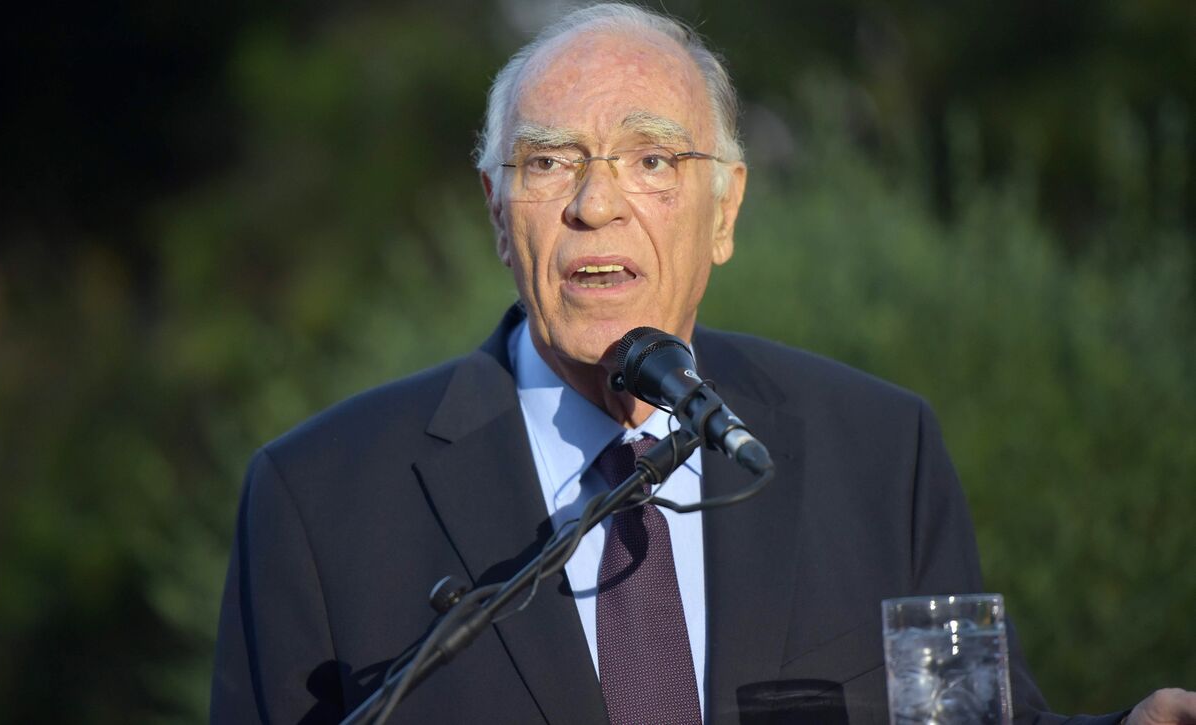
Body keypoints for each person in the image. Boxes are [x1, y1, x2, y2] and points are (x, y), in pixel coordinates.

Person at [210, 4, 1196, 724]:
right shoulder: (319, 498)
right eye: (549, 161)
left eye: (652, 159)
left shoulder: (877, 450)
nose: (596, 203)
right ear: (497, 216)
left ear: (725, 211)